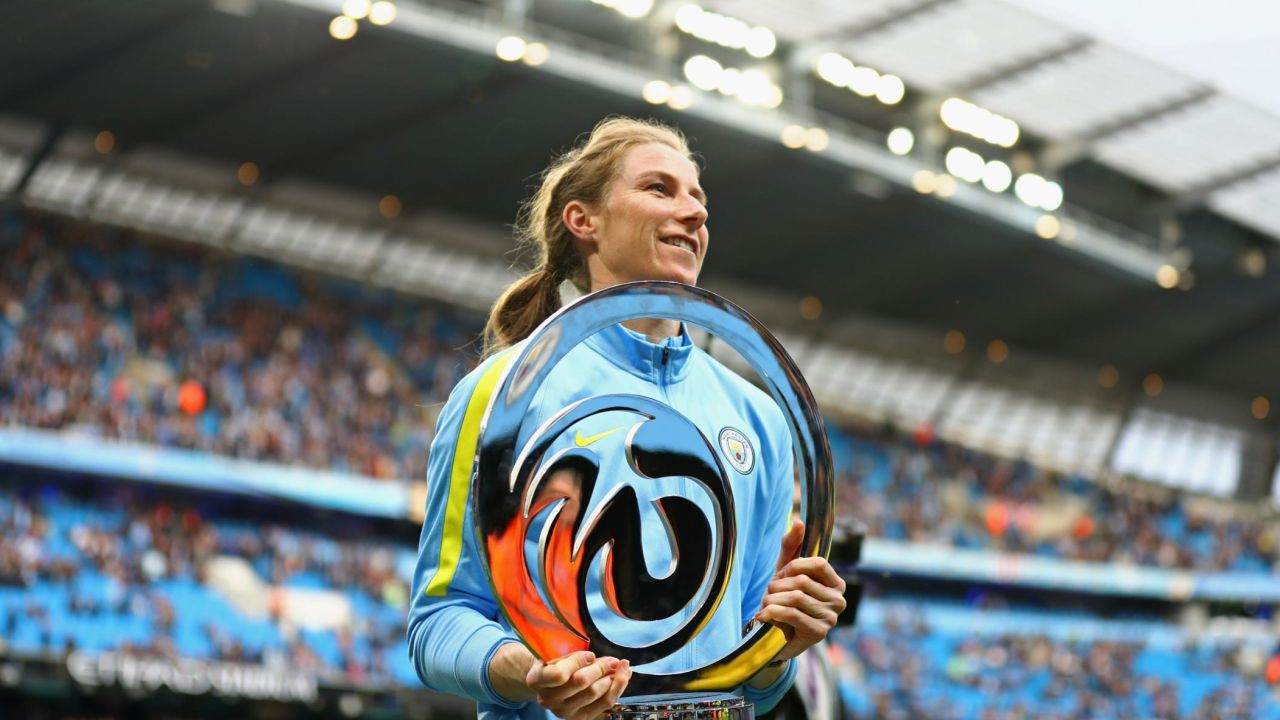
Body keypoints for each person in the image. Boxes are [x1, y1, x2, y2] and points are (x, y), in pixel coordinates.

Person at [407, 117, 846, 720]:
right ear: (583, 221)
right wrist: (532, 672)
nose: (694, 213)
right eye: (659, 189)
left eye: (699, 198)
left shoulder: (761, 418)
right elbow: (438, 622)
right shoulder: (500, 395)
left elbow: (753, 678)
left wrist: (779, 646)